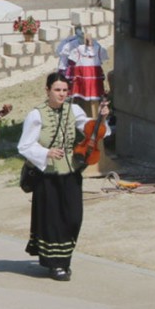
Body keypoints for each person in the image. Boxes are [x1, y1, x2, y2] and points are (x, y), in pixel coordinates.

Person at [18, 73, 110, 281]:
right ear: (48, 90)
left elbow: (89, 129)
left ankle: (64, 258)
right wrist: (46, 153)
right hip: (47, 173)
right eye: (57, 90)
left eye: (64, 90)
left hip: (71, 170)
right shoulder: (36, 115)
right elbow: (24, 145)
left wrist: (101, 118)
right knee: (52, 219)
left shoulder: (73, 110)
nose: (61, 94)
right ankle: (56, 264)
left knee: (73, 216)